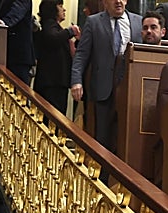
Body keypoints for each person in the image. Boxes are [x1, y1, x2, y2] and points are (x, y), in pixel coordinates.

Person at [69, 0, 143, 153]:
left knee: (126, 137)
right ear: (105, 2)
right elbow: (82, 55)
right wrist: (76, 81)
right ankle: (101, 175)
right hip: (103, 88)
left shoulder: (138, 21)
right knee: (102, 138)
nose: (118, 1)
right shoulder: (93, 22)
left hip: (130, 89)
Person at [34, 0, 80, 113]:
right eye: (60, 6)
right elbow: (53, 38)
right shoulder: (49, 24)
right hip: (52, 83)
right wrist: (70, 31)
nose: (64, 9)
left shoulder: (54, 27)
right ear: (52, 9)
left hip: (55, 83)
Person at [0, 0, 36, 85]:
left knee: (19, 92)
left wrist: (4, 22)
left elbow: (17, 11)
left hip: (18, 56)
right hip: (2, 53)